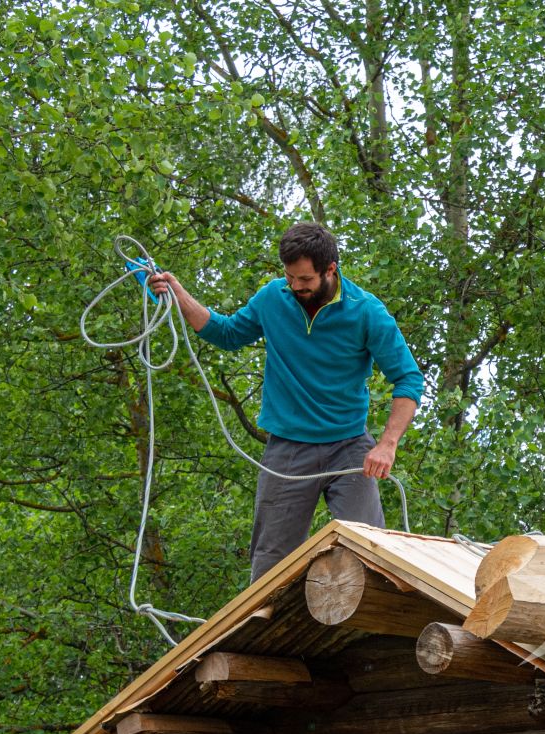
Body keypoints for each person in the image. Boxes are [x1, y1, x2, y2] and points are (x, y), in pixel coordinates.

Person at [147, 222, 423, 579]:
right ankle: (262, 628)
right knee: (271, 558)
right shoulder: (272, 298)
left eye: (305, 280)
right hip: (288, 450)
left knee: (371, 551)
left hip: (349, 447)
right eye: (290, 277)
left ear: (330, 270)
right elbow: (227, 333)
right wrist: (178, 294)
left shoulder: (366, 311)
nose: (295, 287)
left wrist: (387, 445)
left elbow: (408, 379)